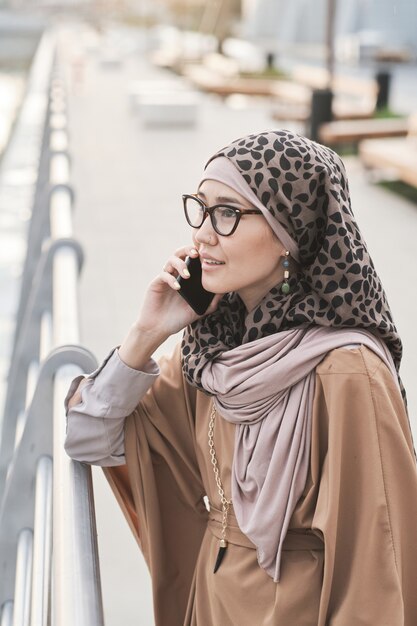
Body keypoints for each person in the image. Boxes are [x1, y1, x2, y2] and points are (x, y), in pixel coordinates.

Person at [64, 129, 417, 626]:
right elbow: (90, 438)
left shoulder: (346, 371)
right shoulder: (212, 354)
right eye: (201, 209)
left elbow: (380, 568)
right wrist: (146, 334)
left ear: (288, 233)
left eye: (228, 213)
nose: (203, 233)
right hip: (211, 603)